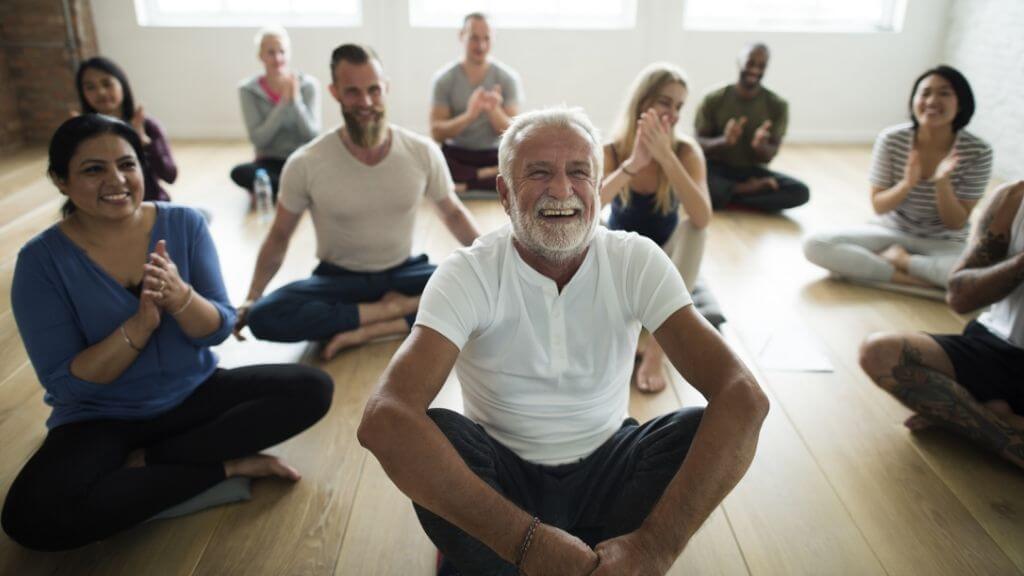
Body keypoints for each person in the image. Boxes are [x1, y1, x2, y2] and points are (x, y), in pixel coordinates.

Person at [358, 108, 769, 575]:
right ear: (505, 193)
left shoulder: (634, 259)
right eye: (539, 173)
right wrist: (527, 542)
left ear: (598, 186)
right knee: (440, 438)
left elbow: (744, 398)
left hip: (609, 467)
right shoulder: (468, 272)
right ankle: (559, 556)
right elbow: (384, 419)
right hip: (502, 480)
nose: (561, 190)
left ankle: (587, 556)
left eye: (579, 173)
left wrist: (656, 547)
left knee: (695, 431)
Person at [1, 115, 333, 551]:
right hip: (101, 418)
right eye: (93, 169)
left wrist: (179, 298)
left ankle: (155, 463)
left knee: (312, 388)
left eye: (127, 164)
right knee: (29, 517)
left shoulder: (184, 224)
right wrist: (139, 327)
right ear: (61, 181)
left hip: (194, 395)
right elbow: (65, 381)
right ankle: (222, 471)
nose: (116, 180)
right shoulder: (40, 262)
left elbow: (216, 330)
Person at [234, 44, 480, 360]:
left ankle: (370, 327)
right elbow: (280, 235)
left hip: (404, 274)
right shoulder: (306, 162)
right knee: (264, 316)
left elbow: (454, 214)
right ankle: (400, 315)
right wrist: (252, 297)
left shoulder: (421, 151)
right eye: (353, 92)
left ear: (385, 88)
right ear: (334, 92)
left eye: (374, 90)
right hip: (338, 281)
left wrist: (490, 262)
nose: (366, 102)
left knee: (473, 285)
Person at [859, 181, 1024, 471]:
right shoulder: (1012, 199)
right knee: (879, 352)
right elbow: (959, 296)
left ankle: (971, 417)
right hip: (996, 345)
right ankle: (1007, 438)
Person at [804, 65, 993, 291]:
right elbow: (879, 206)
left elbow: (955, 222)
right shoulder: (892, 139)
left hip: (943, 243)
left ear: (961, 103)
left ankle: (894, 265)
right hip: (889, 233)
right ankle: (916, 282)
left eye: (944, 93)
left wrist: (942, 183)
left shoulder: (978, 151)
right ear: (913, 101)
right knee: (815, 245)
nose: (932, 101)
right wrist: (907, 184)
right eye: (925, 93)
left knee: (975, 277)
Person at [601, 62, 712, 394]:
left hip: (665, 264)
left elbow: (703, 217)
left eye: (679, 106)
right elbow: (588, 209)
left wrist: (666, 158)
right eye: (665, 102)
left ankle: (655, 352)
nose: (673, 114)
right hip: (623, 261)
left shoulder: (686, 152)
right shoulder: (612, 149)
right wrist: (633, 165)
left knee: (695, 229)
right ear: (643, 101)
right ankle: (637, 329)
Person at [694, 43, 809, 211]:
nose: (755, 70)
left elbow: (770, 155)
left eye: (761, 66)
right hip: (717, 170)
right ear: (739, 62)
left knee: (800, 192)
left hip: (753, 172)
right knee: (690, 179)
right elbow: (698, 145)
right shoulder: (713, 99)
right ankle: (745, 192)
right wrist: (724, 141)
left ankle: (729, 195)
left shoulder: (778, 105)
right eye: (750, 63)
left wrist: (761, 147)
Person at [430, 12, 522, 194]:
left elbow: (515, 135)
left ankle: (468, 182)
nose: (481, 45)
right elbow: (437, 133)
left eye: (486, 38)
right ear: (461, 36)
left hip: (493, 154)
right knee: (434, 161)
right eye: (474, 38)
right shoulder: (444, 80)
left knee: (519, 164)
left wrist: (493, 110)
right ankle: (485, 177)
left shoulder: (507, 78)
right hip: (458, 154)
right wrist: (469, 115)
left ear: (493, 39)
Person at [231, 26, 320, 201]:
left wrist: (296, 102)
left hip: (302, 160)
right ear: (260, 56)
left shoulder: (308, 86)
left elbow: (311, 134)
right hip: (269, 162)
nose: (278, 58)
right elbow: (259, 139)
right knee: (240, 173)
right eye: (271, 52)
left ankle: (284, 191)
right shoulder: (248, 90)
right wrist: (283, 103)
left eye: (282, 51)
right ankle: (294, 190)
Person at [76, 56, 177, 202]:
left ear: (122, 84)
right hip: (104, 211)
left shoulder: (147, 125)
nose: (101, 92)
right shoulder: (80, 131)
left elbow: (170, 175)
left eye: (107, 84)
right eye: (90, 87)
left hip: (149, 207)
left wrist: (144, 142)